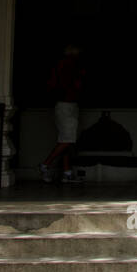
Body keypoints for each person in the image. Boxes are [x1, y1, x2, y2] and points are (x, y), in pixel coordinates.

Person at [40, 44, 85, 183]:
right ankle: (45, 164)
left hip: (68, 103)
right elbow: (72, 84)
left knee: (66, 139)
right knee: (67, 139)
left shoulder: (66, 66)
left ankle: (67, 172)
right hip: (66, 103)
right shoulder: (67, 66)